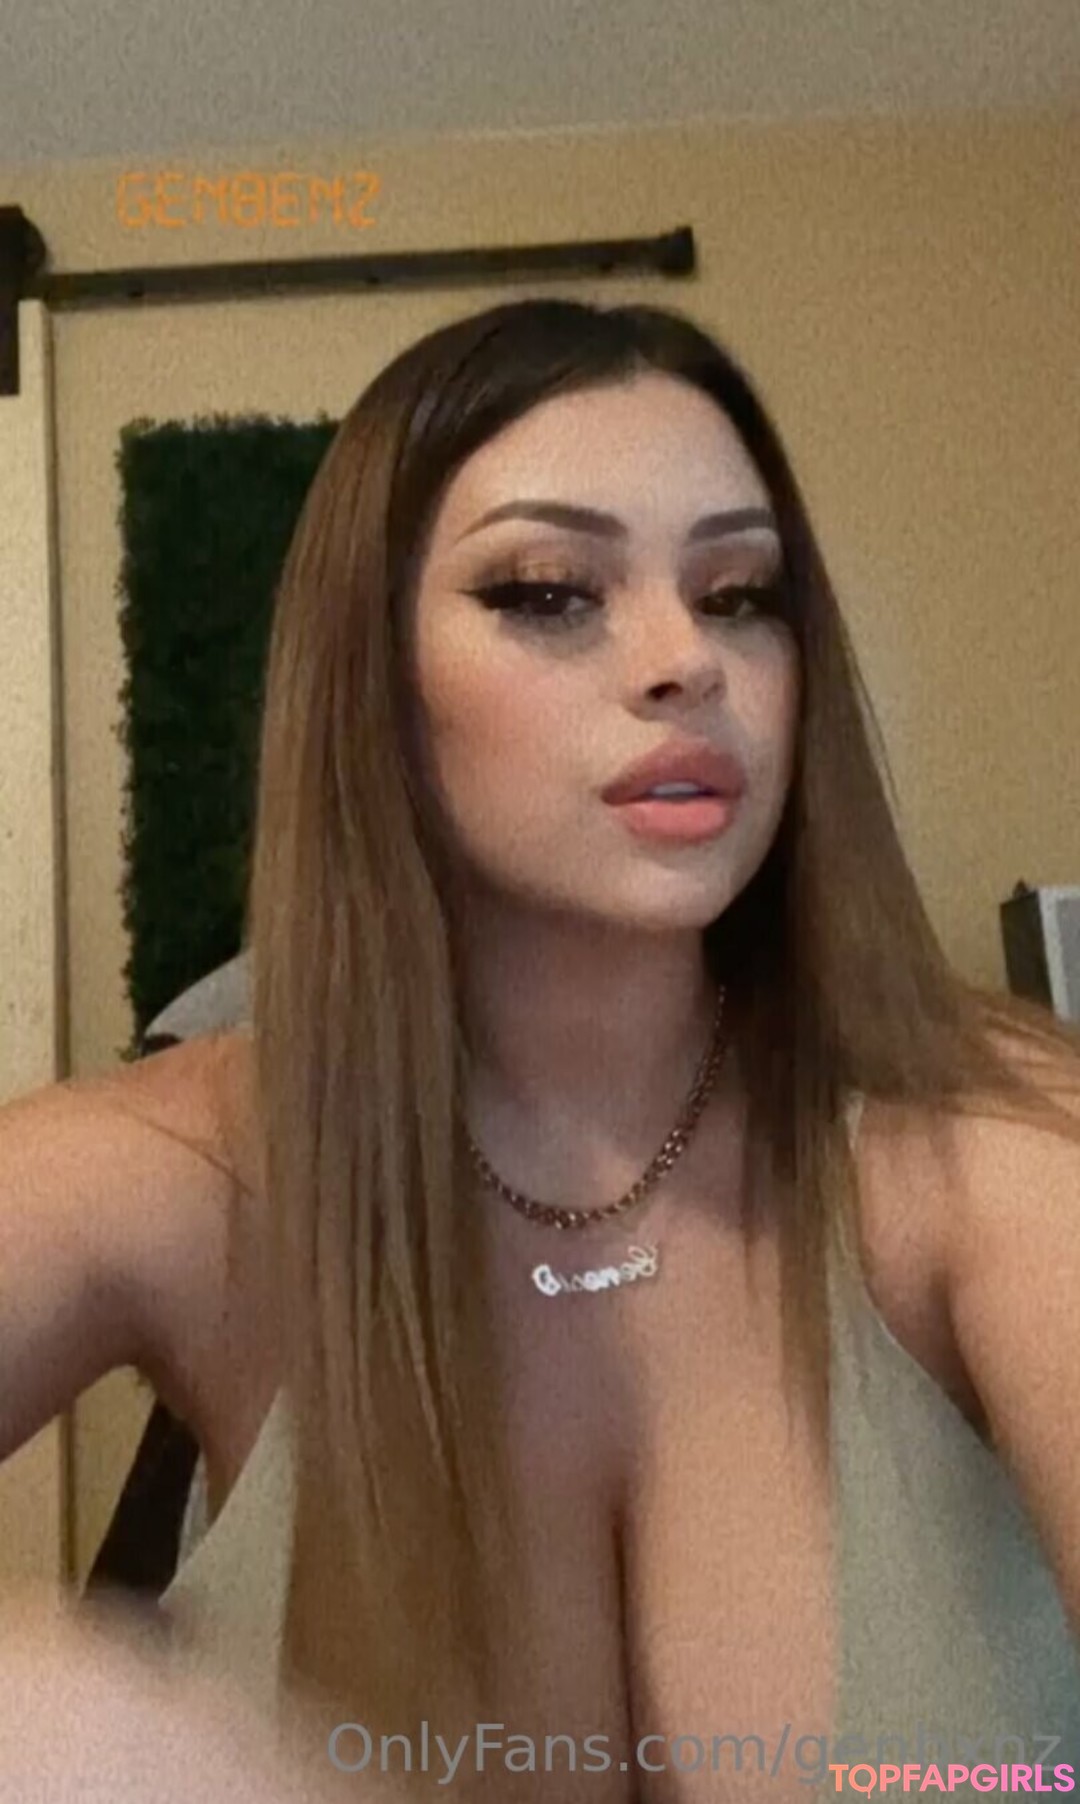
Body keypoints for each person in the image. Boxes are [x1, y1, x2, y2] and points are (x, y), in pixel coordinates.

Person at [3, 296, 1080, 1802]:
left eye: (740, 594)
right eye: (549, 592)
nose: (685, 661)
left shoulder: (988, 1145)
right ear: (371, 680)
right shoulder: (184, 1168)